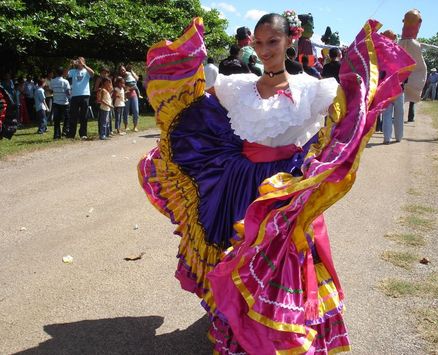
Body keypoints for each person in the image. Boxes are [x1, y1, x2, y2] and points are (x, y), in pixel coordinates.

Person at [139, 13, 414, 354]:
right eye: (259, 42)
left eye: (273, 41)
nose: (265, 49)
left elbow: (353, 107)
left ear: (289, 41)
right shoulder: (235, 86)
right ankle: (238, 332)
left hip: (283, 189)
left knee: (281, 262)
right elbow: (196, 107)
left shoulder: (313, 90)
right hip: (238, 184)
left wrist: (375, 65)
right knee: (236, 254)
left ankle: (276, 333)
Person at [68, 56, 94, 139]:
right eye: (78, 61)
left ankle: (83, 133)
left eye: (81, 61)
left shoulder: (86, 71)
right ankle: (71, 134)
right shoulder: (73, 71)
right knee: (73, 115)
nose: (79, 62)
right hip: (75, 96)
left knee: (84, 115)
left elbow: (92, 74)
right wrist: (70, 65)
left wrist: (84, 65)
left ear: (84, 61)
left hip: (85, 95)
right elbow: (65, 74)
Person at [50, 67, 71, 139]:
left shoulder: (52, 81)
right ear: (62, 73)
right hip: (65, 103)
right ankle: (65, 132)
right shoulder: (65, 82)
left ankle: (56, 135)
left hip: (56, 102)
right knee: (67, 118)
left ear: (56, 73)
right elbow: (68, 93)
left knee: (57, 120)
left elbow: (51, 91)